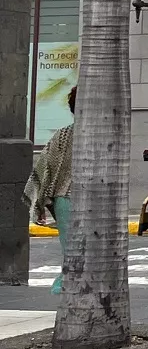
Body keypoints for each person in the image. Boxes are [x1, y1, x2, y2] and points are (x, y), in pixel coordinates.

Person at [25, 89, 76, 293]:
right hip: (71, 198)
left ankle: (67, 282)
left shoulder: (63, 135)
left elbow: (45, 166)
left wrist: (41, 202)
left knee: (71, 249)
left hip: (64, 198)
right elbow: (46, 165)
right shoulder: (65, 135)